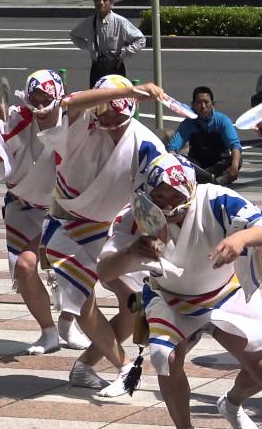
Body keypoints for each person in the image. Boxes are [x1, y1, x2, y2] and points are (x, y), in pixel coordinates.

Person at [98, 153, 262, 429]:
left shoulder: (216, 199)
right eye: (159, 195)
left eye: (175, 195)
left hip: (224, 292)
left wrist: (239, 239)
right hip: (169, 298)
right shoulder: (134, 215)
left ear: (190, 190)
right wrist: (131, 252)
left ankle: (232, 404)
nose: (167, 203)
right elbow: (105, 270)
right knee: (164, 357)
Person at [37, 74, 167, 398]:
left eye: (117, 109)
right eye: (103, 107)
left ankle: (85, 365)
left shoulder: (145, 143)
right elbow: (67, 103)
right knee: (83, 301)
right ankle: (125, 367)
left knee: (135, 306)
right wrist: (129, 90)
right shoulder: (80, 126)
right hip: (66, 224)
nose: (109, 116)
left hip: (111, 229)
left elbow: (162, 193)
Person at [0, 70, 92, 356]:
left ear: (59, 98)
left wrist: (132, 92)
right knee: (24, 270)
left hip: (64, 210)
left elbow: (93, 102)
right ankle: (48, 332)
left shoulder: (74, 120)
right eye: (35, 100)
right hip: (22, 208)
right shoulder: (16, 118)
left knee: (75, 269)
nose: (40, 107)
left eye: (47, 100)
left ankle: (69, 322)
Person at [69, 0, 145, 89]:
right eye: (97, 0)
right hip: (97, 67)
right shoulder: (90, 22)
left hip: (115, 66)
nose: (100, 3)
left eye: (104, 0)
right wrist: (89, 47)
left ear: (112, 3)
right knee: (96, 100)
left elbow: (140, 39)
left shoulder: (120, 21)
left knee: (117, 100)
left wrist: (125, 53)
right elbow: (74, 35)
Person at [165, 86, 243, 185]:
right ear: (193, 105)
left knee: (237, 159)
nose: (203, 106)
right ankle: (212, 182)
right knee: (179, 159)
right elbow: (172, 148)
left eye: (206, 102)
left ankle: (213, 181)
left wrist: (234, 167)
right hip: (198, 167)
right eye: (199, 103)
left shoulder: (222, 121)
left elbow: (235, 145)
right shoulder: (188, 123)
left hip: (218, 164)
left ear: (213, 104)